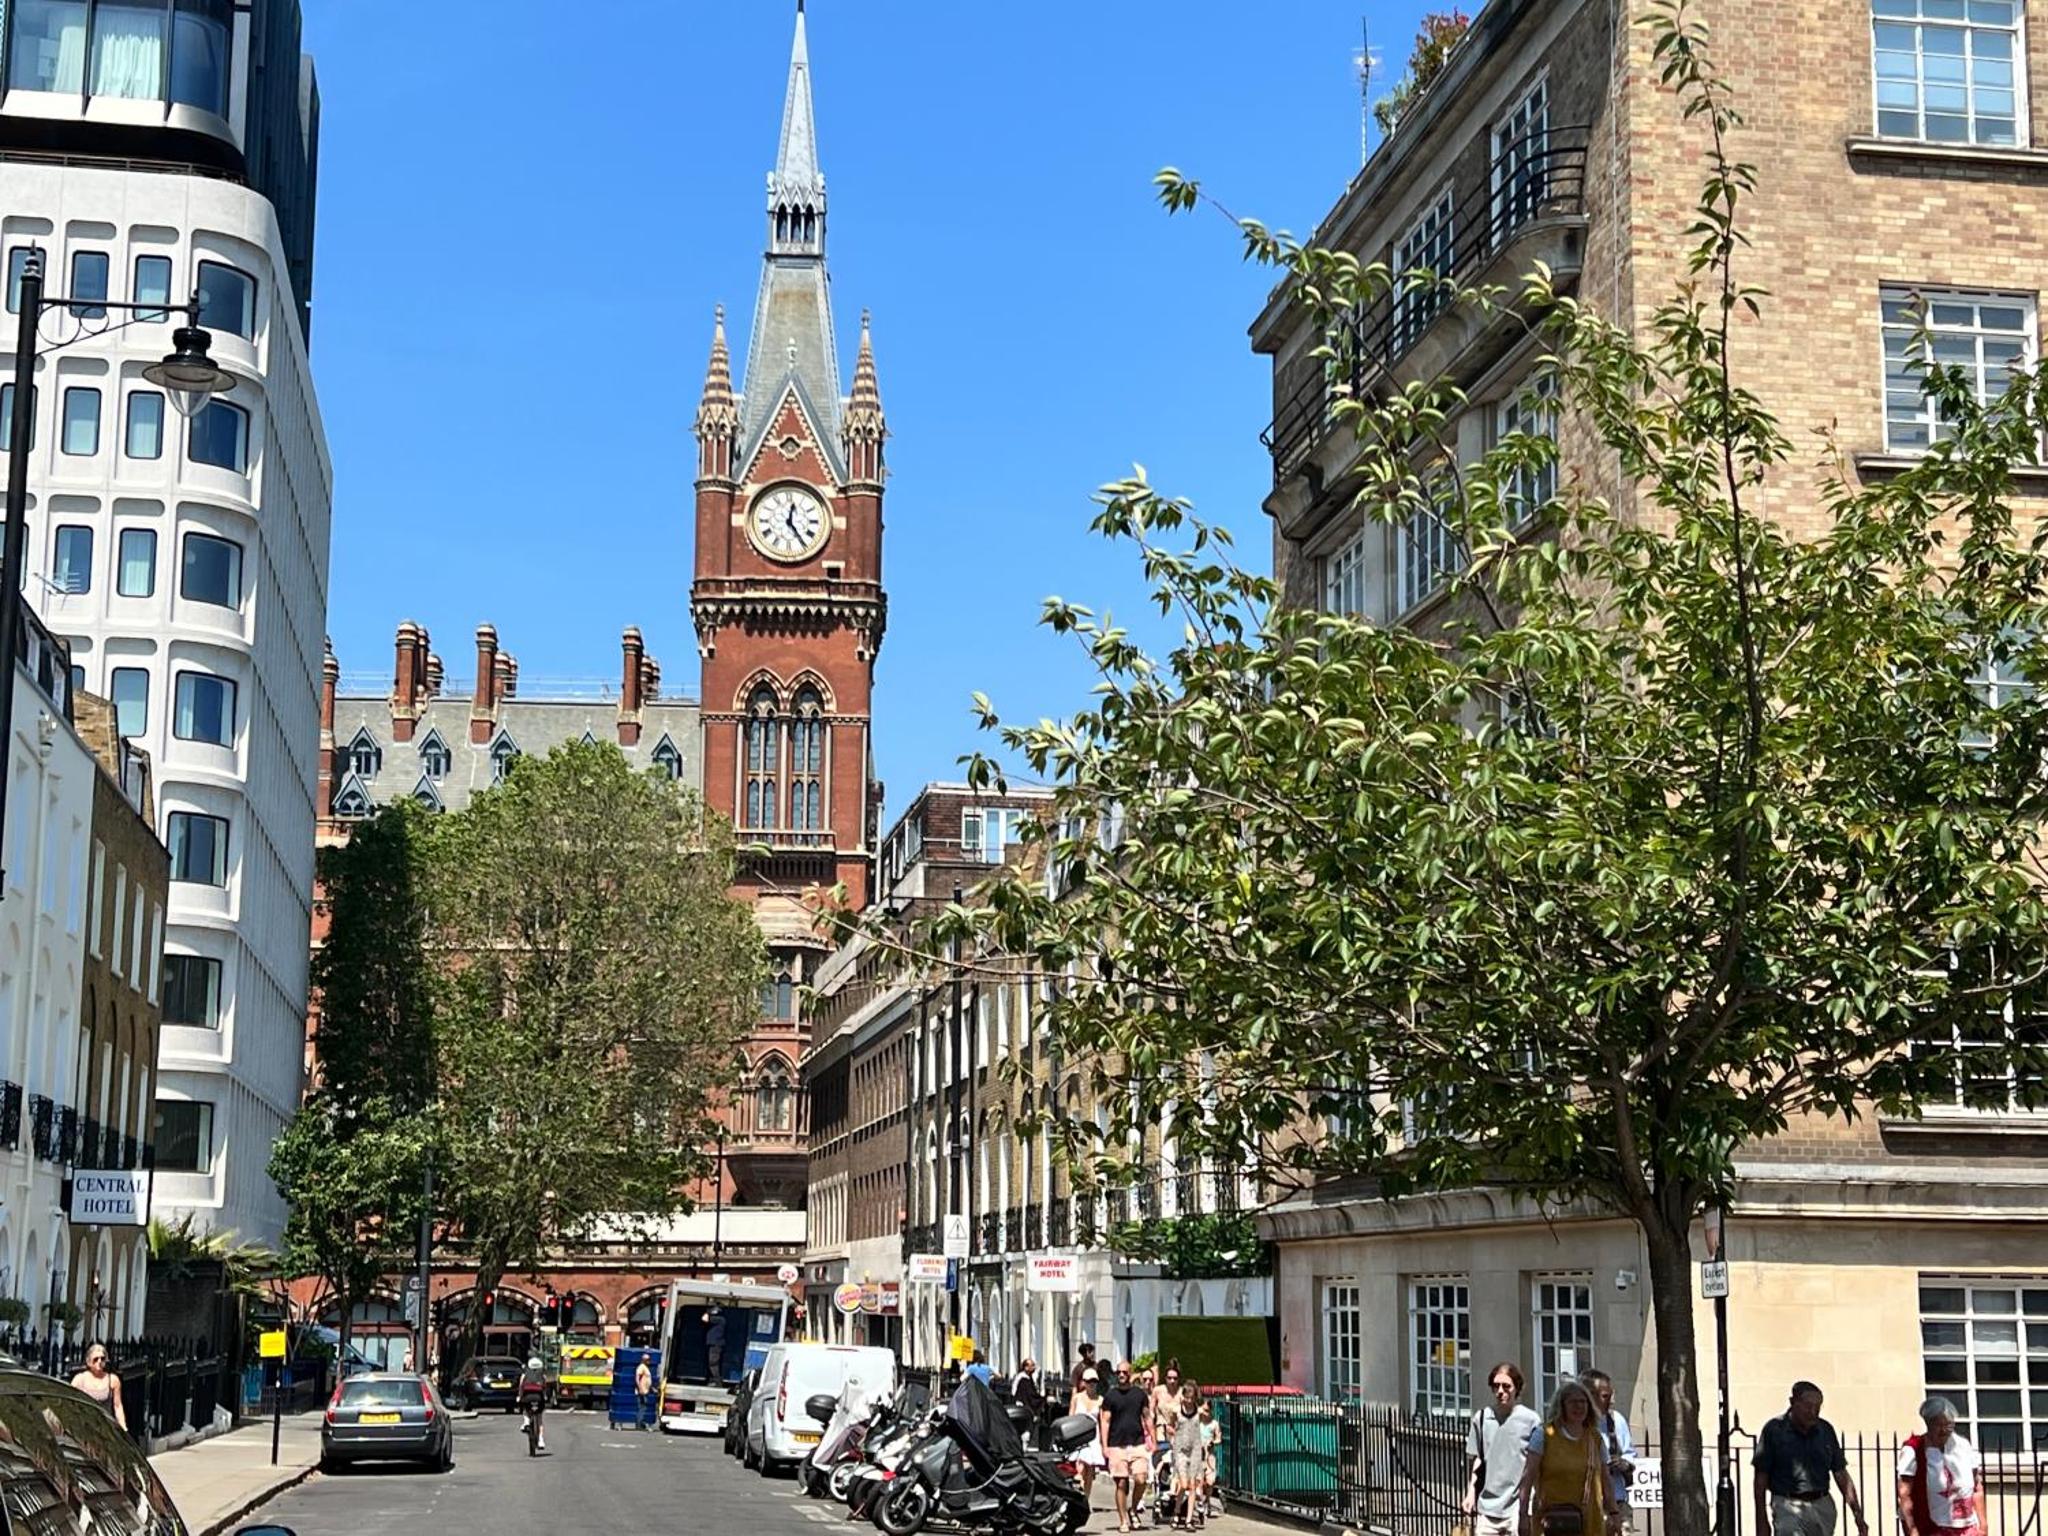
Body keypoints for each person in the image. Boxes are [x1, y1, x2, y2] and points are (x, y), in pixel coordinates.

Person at [1755, 1381, 1869, 1536]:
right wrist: (1761, 1518)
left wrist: (1857, 1512)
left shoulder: (1825, 1430)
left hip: (1821, 1503)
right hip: (1788, 1503)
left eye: (1817, 1407)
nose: (1813, 1412)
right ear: (1793, 1402)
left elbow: (1840, 1472)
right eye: (1808, 1406)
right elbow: (1761, 1476)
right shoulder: (1774, 1430)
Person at [1517, 1379, 1622, 1536]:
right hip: (1552, 1521)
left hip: (1590, 1521)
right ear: (1562, 1405)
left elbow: (1606, 1479)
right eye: (1573, 1402)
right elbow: (1528, 1477)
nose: (1579, 1407)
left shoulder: (1595, 1438)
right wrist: (1523, 1516)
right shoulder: (1544, 1435)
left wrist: (1614, 1514)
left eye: (1583, 1402)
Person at [1465, 1362, 1541, 1536]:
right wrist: (1470, 1493)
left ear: (1516, 1389)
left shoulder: (1531, 1420)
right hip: (1487, 1507)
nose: (1500, 1391)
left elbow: (1536, 1465)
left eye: (1506, 1386)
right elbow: (1476, 1460)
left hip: (1516, 1508)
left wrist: (1529, 1507)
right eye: (1496, 1386)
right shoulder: (1482, 1418)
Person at [1897, 1396, 1979, 1536]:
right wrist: (1912, 1529)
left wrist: (1983, 1525)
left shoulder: (1962, 1446)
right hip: (1931, 1528)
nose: (1944, 1430)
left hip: (1967, 1527)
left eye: (1948, 1425)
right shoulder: (1915, 1450)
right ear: (1928, 1424)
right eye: (1939, 1425)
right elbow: (1905, 1494)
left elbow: (1977, 1487)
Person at [1101, 1360, 1155, 1533]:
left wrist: (1153, 1439)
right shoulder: (1111, 1396)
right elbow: (1105, 1421)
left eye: (1124, 1372)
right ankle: (1123, 1519)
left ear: (1130, 1374)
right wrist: (1105, 1445)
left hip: (1138, 1442)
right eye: (1118, 1373)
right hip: (1117, 1445)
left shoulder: (1139, 1395)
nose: (1121, 1375)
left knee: (1141, 1479)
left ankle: (1133, 1509)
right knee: (1121, 1483)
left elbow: (1147, 1417)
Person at [1583, 1370, 1637, 1525]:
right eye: (1605, 1396)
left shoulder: (1616, 1420)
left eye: (1611, 1395)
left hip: (1616, 1501)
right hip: (1585, 1504)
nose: (1611, 1402)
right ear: (1590, 1396)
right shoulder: (1576, 1424)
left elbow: (1630, 1455)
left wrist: (1623, 1463)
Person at [1170, 1381, 1205, 1530]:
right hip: (1180, 1449)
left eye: (1192, 1398)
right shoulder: (1176, 1411)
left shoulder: (1200, 1412)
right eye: (1187, 1397)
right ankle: (1177, 1510)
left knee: (1192, 1485)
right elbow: (1171, 1425)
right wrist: (1171, 1436)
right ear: (1183, 1396)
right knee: (1183, 1484)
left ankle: (1189, 1519)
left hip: (1195, 1449)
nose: (1189, 1401)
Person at [1070, 1367, 1107, 1498]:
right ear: (1084, 1382)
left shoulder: (1100, 1400)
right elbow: (1071, 1416)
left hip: (1093, 1434)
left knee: (1090, 1468)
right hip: (1079, 1433)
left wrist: (1104, 1442)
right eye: (1089, 1381)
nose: (1092, 1384)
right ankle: (1079, 1478)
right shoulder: (1077, 1398)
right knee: (1081, 1459)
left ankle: (1086, 1496)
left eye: (1094, 1381)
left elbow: (1103, 1421)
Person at [69, 1345, 126, 1432]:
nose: (99, 1362)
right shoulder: (80, 1380)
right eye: (95, 1359)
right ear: (88, 1362)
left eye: (102, 1359)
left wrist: (123, 1427)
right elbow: (70, 1402)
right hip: (85, 1426)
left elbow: (117, 1406)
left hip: (105, 1427)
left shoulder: (113, 1380)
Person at [517, 1355, 548, 1452]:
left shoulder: (525, 1374)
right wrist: (545, 1397)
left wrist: (519, 1396)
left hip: (527, 1397)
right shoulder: (542, 1375)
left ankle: (526, 1422)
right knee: (539, 1418)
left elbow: (521, 1386)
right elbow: (545, 1388)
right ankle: (541, 1440)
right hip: (538, 1397)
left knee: (525, 1409)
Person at [1198, 1399, 1221, 1519]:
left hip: (1210, 1455)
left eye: (1208, 1410)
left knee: (1210, 1481)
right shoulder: (1198, 1422)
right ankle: (1201, 1503)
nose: (1206, 1413)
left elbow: (1219, 1438)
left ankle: (1207, 1500)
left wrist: (1213, 1442)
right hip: (1199, 1454)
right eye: (1204, 1410)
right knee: (1200, 1481)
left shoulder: (1214, 1423)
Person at [633, 1355, 655, 1431]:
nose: (649, 1361)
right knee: (642, 1408)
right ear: (644, 1360)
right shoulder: (641, 1367)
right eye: (648, 1360)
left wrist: (652, 1388)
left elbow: (647, 1379)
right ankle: (639, 1424)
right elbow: (637, 1378)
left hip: (646, 1390)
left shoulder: (645, 1368)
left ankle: (640, 1423)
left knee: (643, 1407)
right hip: (642, 1391)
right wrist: (640, 1388)